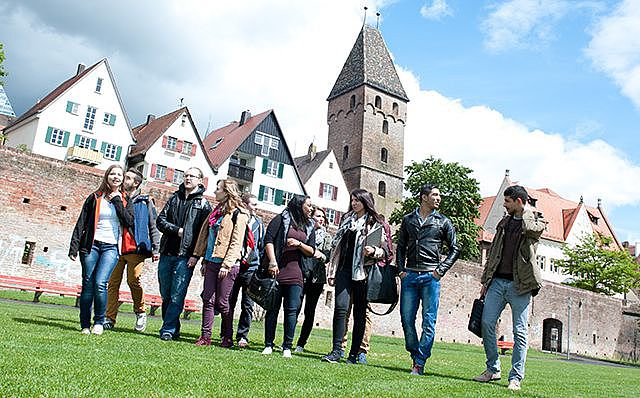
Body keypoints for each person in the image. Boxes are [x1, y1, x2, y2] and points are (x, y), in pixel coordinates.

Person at [473, 185, 545, 391]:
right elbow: (494, 251)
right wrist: (486, 281)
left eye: (507, 202)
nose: (504, 205)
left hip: (520, 285)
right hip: (497, 282)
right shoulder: (504, 222)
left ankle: (515, 377)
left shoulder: (535, 220)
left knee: (519, 332)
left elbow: (533, 230)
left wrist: (527, 212)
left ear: (519, 202)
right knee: (486, 323)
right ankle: (493, 369)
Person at [396, 183, 459, 375]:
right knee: (406, 319)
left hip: (431, 277)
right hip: (410, 275)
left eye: (439, 195)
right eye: (435, 194)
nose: (439, 198)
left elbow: (455, 248)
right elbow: (400, 246)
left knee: (428, 321)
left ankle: (420, 362)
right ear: (424, 197)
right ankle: (415, 352)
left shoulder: (443, 221)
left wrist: (440, 270)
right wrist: (400, 270)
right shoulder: (408, 220)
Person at [322, 189, 389, 364]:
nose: (354, 203)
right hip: (343, 269)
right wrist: (332, 269)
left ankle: (353, 354)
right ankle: (336, 350)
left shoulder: (375, 223)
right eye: (352, 200)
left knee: (360, 314)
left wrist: (374, 251)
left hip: (362, 273)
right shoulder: (346, 220)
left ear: (365, 202)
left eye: (357, 200)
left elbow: (387, 252)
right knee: (341, 308)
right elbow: (336, 247)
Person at [69, 165, 134, 335]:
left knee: (100, 283)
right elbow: (81, 221)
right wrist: (74, 246)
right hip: (91, 245)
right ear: (107, 176)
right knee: (88, 284)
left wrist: (117, 201)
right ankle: (85, 324)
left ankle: (99, 321)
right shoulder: (95, 197)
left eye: (119, 175)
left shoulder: (126, 199)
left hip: (111, 247)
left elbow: (129, 222)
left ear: (122, 179)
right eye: (112, 174)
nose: (116, 177)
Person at [156, 167, 212, 341]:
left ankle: (168, 329)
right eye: (186, 175)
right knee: (165, 293)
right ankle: (173, 327)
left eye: (192, 176)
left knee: (177, 293)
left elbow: (204, 234)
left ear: (199, 180)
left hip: (186, 255)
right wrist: (177, 230)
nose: (187, 178)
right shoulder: (174, 198)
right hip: (167, 251)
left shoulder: (203, 204)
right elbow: (160, 221)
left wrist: (196, 256)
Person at [192, 179, 249, 347]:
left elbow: (236, 242)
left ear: (227, 192)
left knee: (223, 303)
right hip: (211, 261)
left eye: (218, 189)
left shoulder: (239, 214)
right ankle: (205, 337)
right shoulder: (216, 212)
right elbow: (207, 238)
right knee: (208, 299)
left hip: (228, 264)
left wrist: (227, 264)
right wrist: (203, 259)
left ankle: (227, 336)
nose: (215, 192)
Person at [104, 168, 160, 332]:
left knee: (133, 280)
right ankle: (109, 317)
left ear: (136, 182)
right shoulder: (116, 197)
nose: (123, 179)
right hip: (116, 246)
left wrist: (156, 249)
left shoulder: (145, 200)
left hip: (135, 248)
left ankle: (141, 312)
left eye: (127, 178)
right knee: (112, 283)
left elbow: (153, 225)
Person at [262, 194, 318, 358]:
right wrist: (272, 261)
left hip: (296, 273)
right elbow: (269, 239)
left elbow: (312, 250)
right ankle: (268, 344)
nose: (311, 208)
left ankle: (287, 346)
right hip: (277, 270)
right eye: (308, 205)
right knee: (272, 309)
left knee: (292, 310)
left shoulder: (309, 225)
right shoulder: (281, 219)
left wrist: (299, 244)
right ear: (299, 205)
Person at [340, 216, 394, 364]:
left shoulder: (381, 225)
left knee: (364, 313)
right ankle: (341, 346)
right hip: (348, 271)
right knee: (344, 309)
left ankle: (361, 349)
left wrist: (374, 252)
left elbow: (388, 253)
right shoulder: (352, 221)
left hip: (366, 275)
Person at [228, 192, 265, 348]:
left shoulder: (259, 224)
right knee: (229, 301)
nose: (256, 208)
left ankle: (242, 336)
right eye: (253, 204)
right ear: (244, 204)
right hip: (235, 265)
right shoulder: (235, 218)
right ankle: (226, 334)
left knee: (247, 304)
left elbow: (261, 245)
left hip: (251, 268)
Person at [294, 206, 331, 353]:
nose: (321, 219)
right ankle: (288, 339)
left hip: (316, 278)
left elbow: (328, 256)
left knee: (310, 311)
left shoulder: (327, 237)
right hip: (301, 274)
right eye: (318, 216)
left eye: (323, 217)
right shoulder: (303, 233)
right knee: (295, 307)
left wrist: (320, 255)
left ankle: (301, 343)